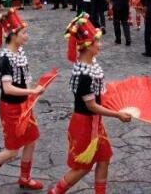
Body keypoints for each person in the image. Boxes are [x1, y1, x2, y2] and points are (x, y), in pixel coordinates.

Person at [48, 14, 131, 193]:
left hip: (94, 123)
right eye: (97, 42)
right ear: (87, 46)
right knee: (83, 167)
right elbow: (92, 106)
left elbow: (98, 95)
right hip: (85, 125)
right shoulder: (84, 75)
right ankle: (55, 192)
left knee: (104, 157)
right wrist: (117, 115)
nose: (99, 45)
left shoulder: (90, 64)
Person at [0, 9, 45, 191]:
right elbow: (7, 88)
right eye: (23, 33)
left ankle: (25, 177)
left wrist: (30, 95)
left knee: (31, 140)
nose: (26, 36)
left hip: (24, 105)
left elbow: (24, 79)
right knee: (12, 150)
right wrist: (32, 91)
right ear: (13, 35)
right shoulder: (5, 58)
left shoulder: (20, 51)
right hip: (11, 108)